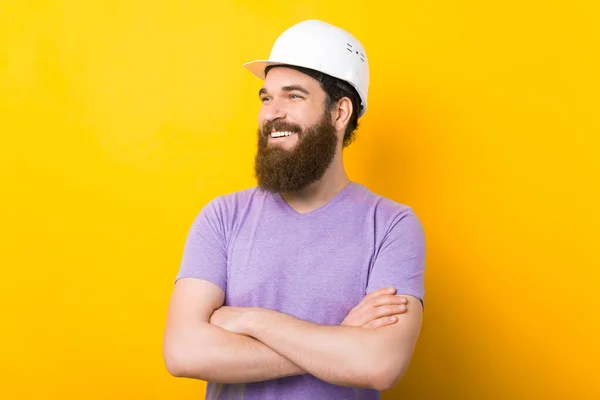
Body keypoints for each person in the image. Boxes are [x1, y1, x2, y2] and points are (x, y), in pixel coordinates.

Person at [163, 19, 426, 400]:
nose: (272, 113)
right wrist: (340, 342)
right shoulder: (222, 217)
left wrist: (250, 319)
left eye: (294, 96)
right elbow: (183, 352)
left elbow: (379, 365)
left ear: (339, 113)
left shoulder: (391, 225)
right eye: (267, 97)